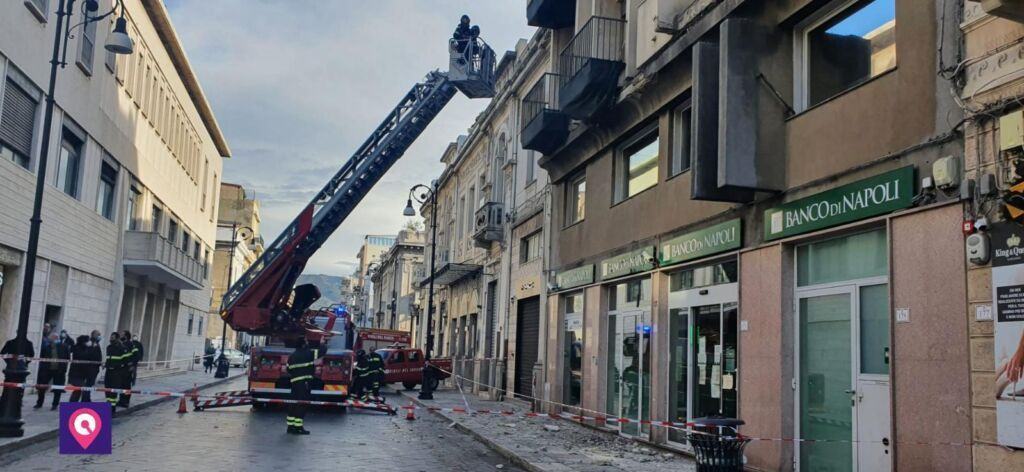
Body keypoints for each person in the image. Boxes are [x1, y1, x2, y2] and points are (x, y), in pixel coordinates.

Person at [285, 337, 315, 435]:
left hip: (294, 383)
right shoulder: (308, 354)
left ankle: (290, 427)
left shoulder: (292, 356)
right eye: (306, 342)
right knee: (302, 404)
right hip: (304, 383)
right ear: (303, 344)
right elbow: (322, 352)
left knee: (293, 404)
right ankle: (298, 427)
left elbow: (288, 369)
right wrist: (322, 343)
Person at [34, 332, 69, 410]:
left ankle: (55, 404)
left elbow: (67, 357)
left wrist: (64, 369)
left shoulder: (64, 347)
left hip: (59, 371)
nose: (52, 339)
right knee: (42, 387)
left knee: (58, 388)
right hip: (47, 370)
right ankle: (39, 403)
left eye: (54, 338)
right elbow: (42, 357)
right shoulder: (46, 347)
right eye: (52, 338)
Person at [0, 337, 34, 410]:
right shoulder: (11, 342)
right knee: (10, 384)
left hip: (18, 368)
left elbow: (31, 356)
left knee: (17, 384)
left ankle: (15, 400)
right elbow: (3, 353)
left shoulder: (28, 343)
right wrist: (9, 362)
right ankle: (12, 400)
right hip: (14, 367)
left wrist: (25, 363)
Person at [68, 335, 100, 402]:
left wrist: (95, 347)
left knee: (78, 390)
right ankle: (73, 404)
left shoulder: (87, 348)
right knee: (82, 389)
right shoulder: (77, 348)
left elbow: (93, 357)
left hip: (83, 374)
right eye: (87, 341)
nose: (89, 342)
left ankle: (72, 404)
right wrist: (92, 348)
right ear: (83, 342)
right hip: (75, 374)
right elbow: (83, 356)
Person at [104, 332, 129, 415]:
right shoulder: (109, 347)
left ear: (117, 338)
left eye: (113, 337)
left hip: (117, 372)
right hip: (108, 372)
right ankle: (108, 406)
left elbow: (126, 361)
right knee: (107, 389)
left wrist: (121, 369)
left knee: (113, 391)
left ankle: (112, 409)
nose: (111, 339)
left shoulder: (122, 348)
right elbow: (108, 359)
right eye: (111, 337)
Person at [119, 330, 143, 408]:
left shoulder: (131, 345)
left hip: (128, 369)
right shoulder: (121, 344)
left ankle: (126, 401)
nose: (120, 336)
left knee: (126, 385)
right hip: (121, 368)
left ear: (126, 336)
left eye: (122, 334)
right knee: (121, 385)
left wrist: (132, 365)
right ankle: (121, 400)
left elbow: (137, 356)